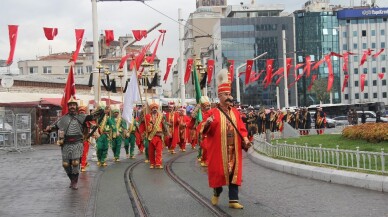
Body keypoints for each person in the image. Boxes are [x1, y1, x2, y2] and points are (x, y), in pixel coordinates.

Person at [203, 69, 251, 209]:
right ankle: (217, 191)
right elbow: (205, 130)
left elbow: (241, 128)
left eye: (230, 94)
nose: (229, 97)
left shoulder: (235, 112)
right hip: (219, 149)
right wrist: (208, 123)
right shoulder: (212, 112)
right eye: (226, 94)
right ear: (220, 96)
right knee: (219, 173)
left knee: (234, 174)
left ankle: (233, 200)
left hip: (234, 149)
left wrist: (246, 139)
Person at [46, 96, 103, 190]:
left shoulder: (81, 117)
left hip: (77, 143)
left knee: (75, 163)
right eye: (70, 105)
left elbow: (93, 116)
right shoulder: (63, 118)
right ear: (68, 107)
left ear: (76, 106)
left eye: (73, 105)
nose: (72, 106)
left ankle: (75, 182)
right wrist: (49, 128)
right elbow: (55, 126)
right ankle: (72, 179)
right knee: (65, 164)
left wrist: (101, 110)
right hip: (66, 143)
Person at [145, 100, 169, 169]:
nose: (154, 109)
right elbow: (147, 126)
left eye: (155, 108)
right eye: (153, 108)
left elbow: (164, 125)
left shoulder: (161, 116)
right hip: (151, 137)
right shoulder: (147, 116)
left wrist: (167, 132)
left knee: (159, 150)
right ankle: (152, 163)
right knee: (151, 151)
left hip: (159, 136)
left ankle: (158, 163)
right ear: (151, 109)